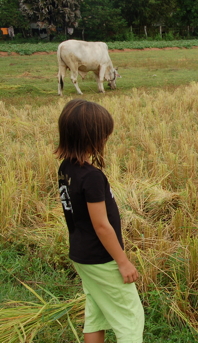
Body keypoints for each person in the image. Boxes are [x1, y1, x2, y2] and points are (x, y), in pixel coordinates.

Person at [55, 99, 144, 343]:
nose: (106, 138)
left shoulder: (66, 168)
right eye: (104, 134)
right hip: (102, 258)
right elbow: (101, 225)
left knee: (96, 312)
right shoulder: (91, 176)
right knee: (130, 317)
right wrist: (123, 261)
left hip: (81, 254)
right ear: (92, 137)